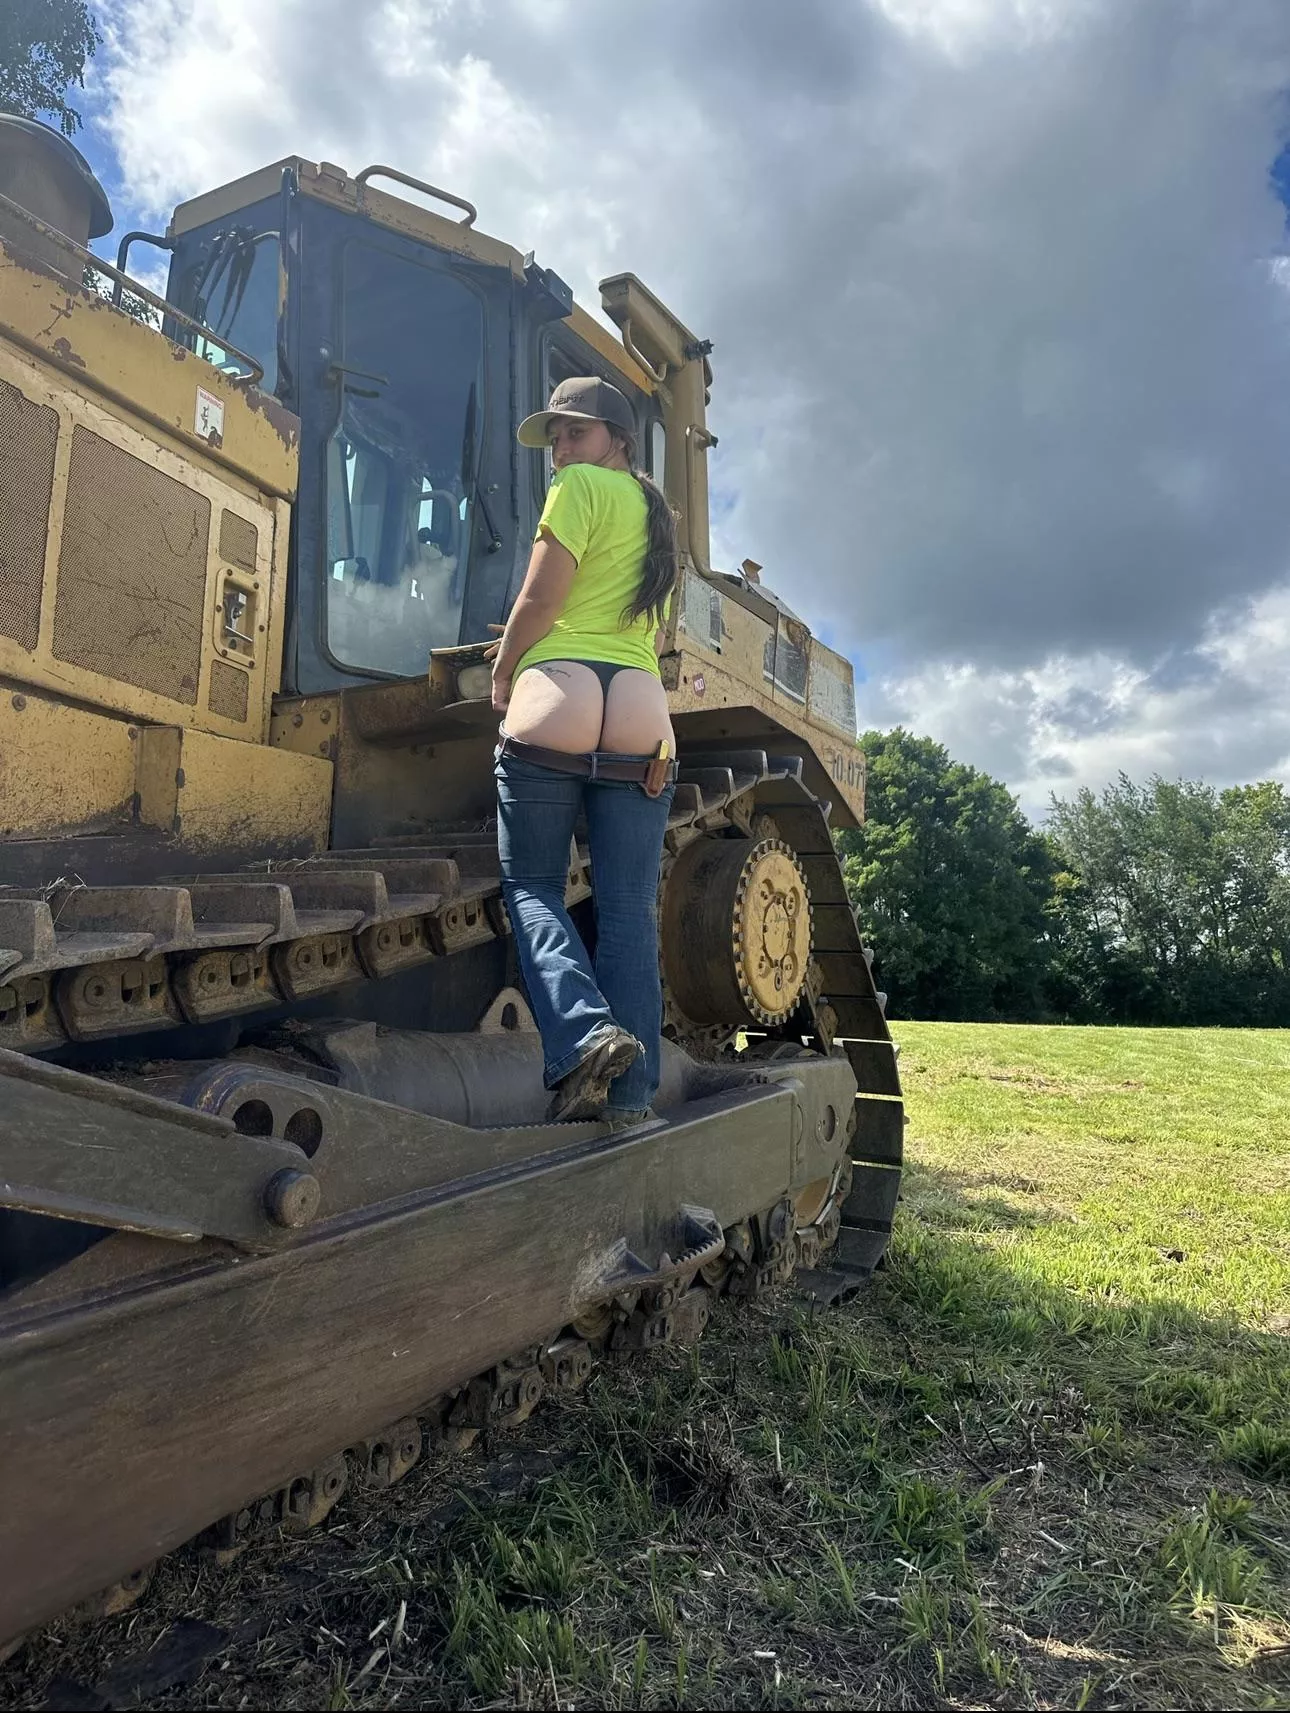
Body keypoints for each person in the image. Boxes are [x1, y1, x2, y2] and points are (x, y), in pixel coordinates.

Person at [491, 377, 679, 1126]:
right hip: (640, 706)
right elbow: (653, 637)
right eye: (557, 439)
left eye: (575, 432)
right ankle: (633, 1099)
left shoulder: (578, 492)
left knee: (534, 884)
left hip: (561, 689)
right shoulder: (659, 517)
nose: (561, 451)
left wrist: (505, 671)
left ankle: (583, 1034)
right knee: (630, 907)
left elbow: (541, 600)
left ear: (617, 439)